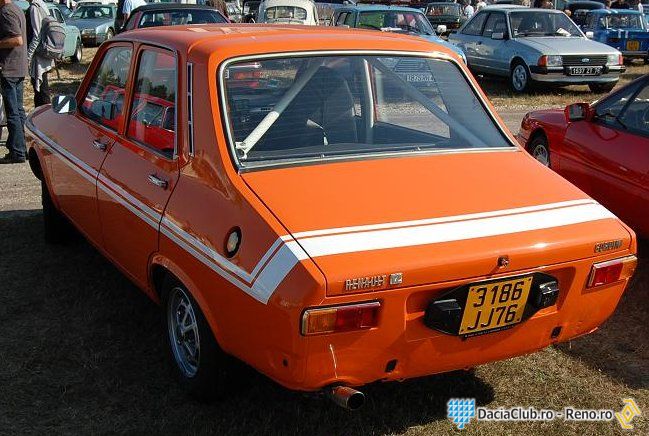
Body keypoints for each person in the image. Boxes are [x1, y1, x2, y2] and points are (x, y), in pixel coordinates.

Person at [0, 0, 27, 164]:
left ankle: (18, 151)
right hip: (17, 67)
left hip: (9, 68)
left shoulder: (6, 12)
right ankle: (21, 147)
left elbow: (17, 40)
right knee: (18, 111)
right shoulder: (16, 8)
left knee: (13, 113)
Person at [27, 0, 55, 107]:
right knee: (42, 89)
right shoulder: (42, 4)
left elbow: (36, 35)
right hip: (44, 52)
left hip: (39, 55)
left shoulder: (34, 7)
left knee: (41, 91)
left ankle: (43, 117)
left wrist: (28, 56)